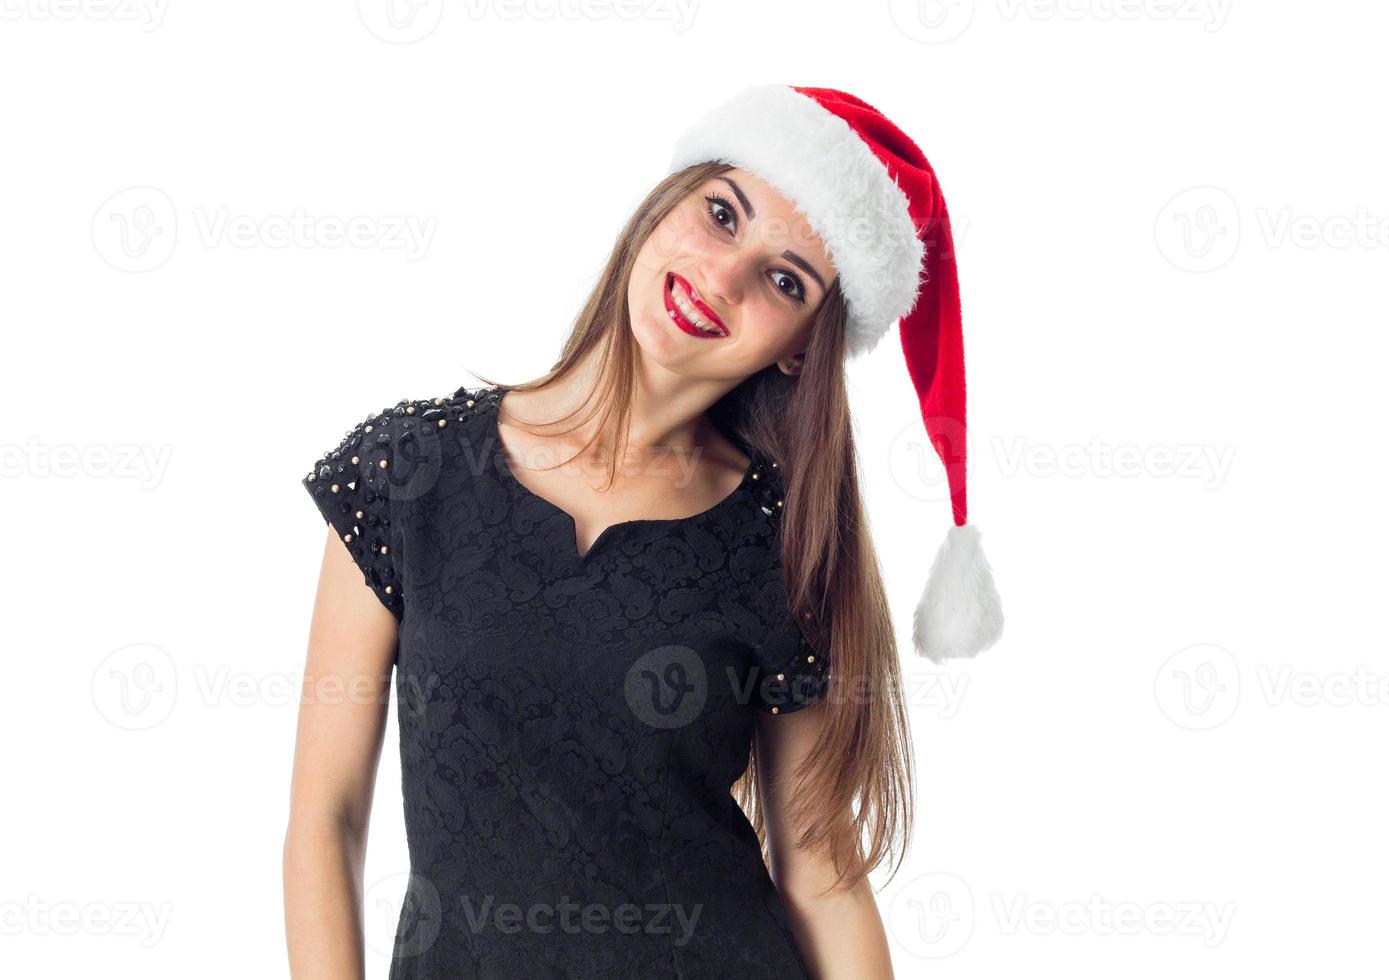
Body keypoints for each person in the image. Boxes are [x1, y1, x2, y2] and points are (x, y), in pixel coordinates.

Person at [283, 83, 1003, 979]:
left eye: (785, 280)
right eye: (721, 214)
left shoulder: (783, 543)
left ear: (802, 346)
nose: (722, 277)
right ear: (665, 205)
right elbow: (326, 815)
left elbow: (821, 875)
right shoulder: (409, 472)